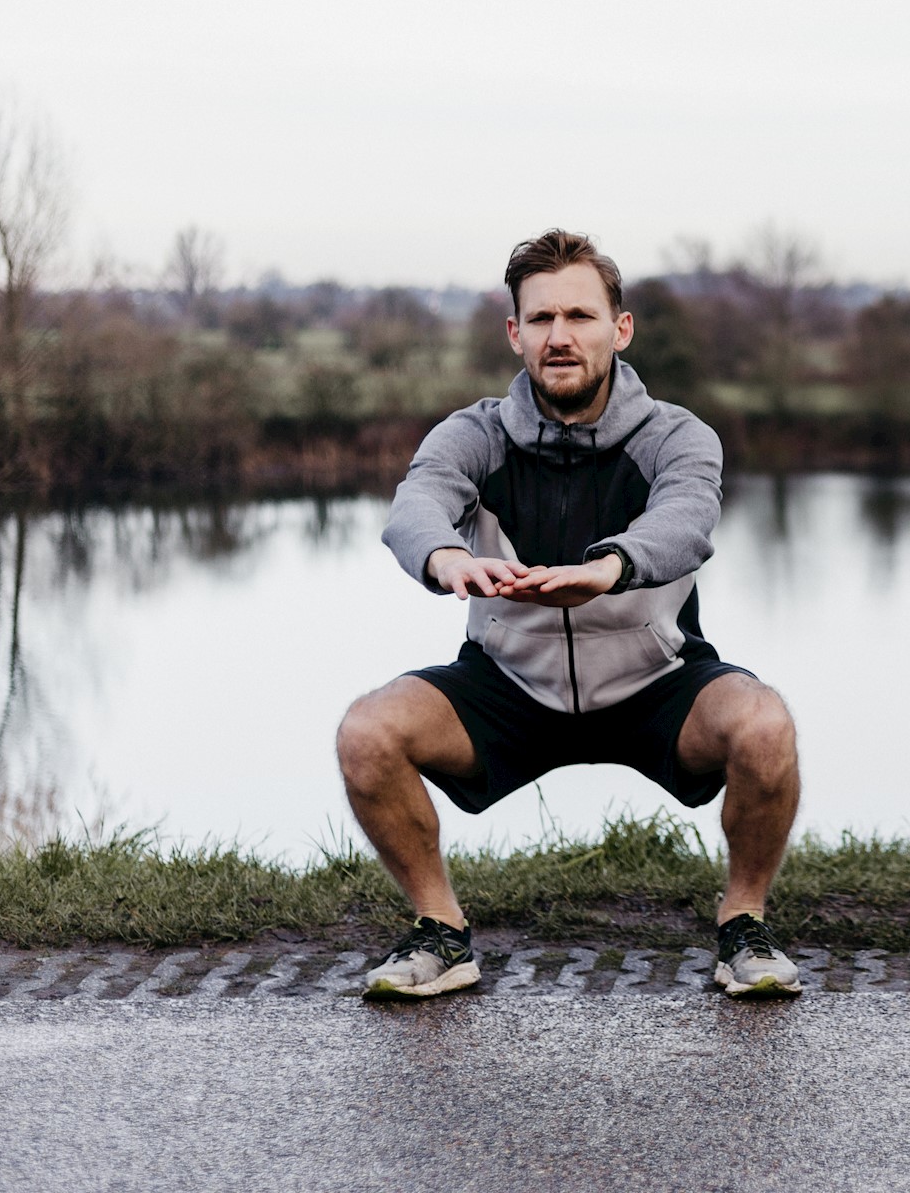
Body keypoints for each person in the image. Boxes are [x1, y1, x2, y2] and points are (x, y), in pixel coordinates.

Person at [336, 229, 805, 1000]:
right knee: (367, 731)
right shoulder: (474, 435)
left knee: (765, 725)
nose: (561, 337)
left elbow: (686, 520)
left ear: (619, 329)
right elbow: (416, 504)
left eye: (580, 316)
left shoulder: (675, 436)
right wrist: (445, 560)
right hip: (510, 683)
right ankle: (441, 932)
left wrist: (609, 568)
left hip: (657, 682)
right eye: (543, 319)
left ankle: (744, 926)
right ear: (515, 333)